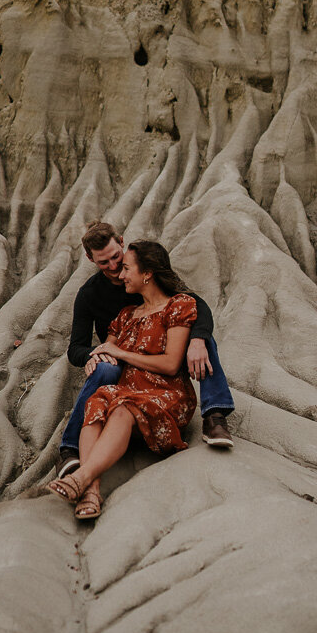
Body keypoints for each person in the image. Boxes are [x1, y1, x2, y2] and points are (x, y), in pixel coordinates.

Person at [57, 221, 234, 480]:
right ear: (90, 259)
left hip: (162, 352)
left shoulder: (147, 274)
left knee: (203, 340)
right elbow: (76, 348)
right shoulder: (90, 295)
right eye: (103, 263)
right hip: (122, 362)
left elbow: (196, 305)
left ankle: (214, 415)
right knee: (105, 366)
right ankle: (70, 450)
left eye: (117, 258)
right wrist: (95, 354)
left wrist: (198, 338)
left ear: (121, 241)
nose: (115, 267)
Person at [48, 240, 199, 519]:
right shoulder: (126, 315)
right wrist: (96, 357)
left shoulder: (178, 306)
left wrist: (119, 352)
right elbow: (107, 351)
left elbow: (170, 364)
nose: (120, 274)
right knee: (97, 402)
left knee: (121, 406)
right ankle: (91, 492)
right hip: (129, 393)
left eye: (127, 268)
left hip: (166, 394)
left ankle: (81, 477)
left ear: (147, 274)